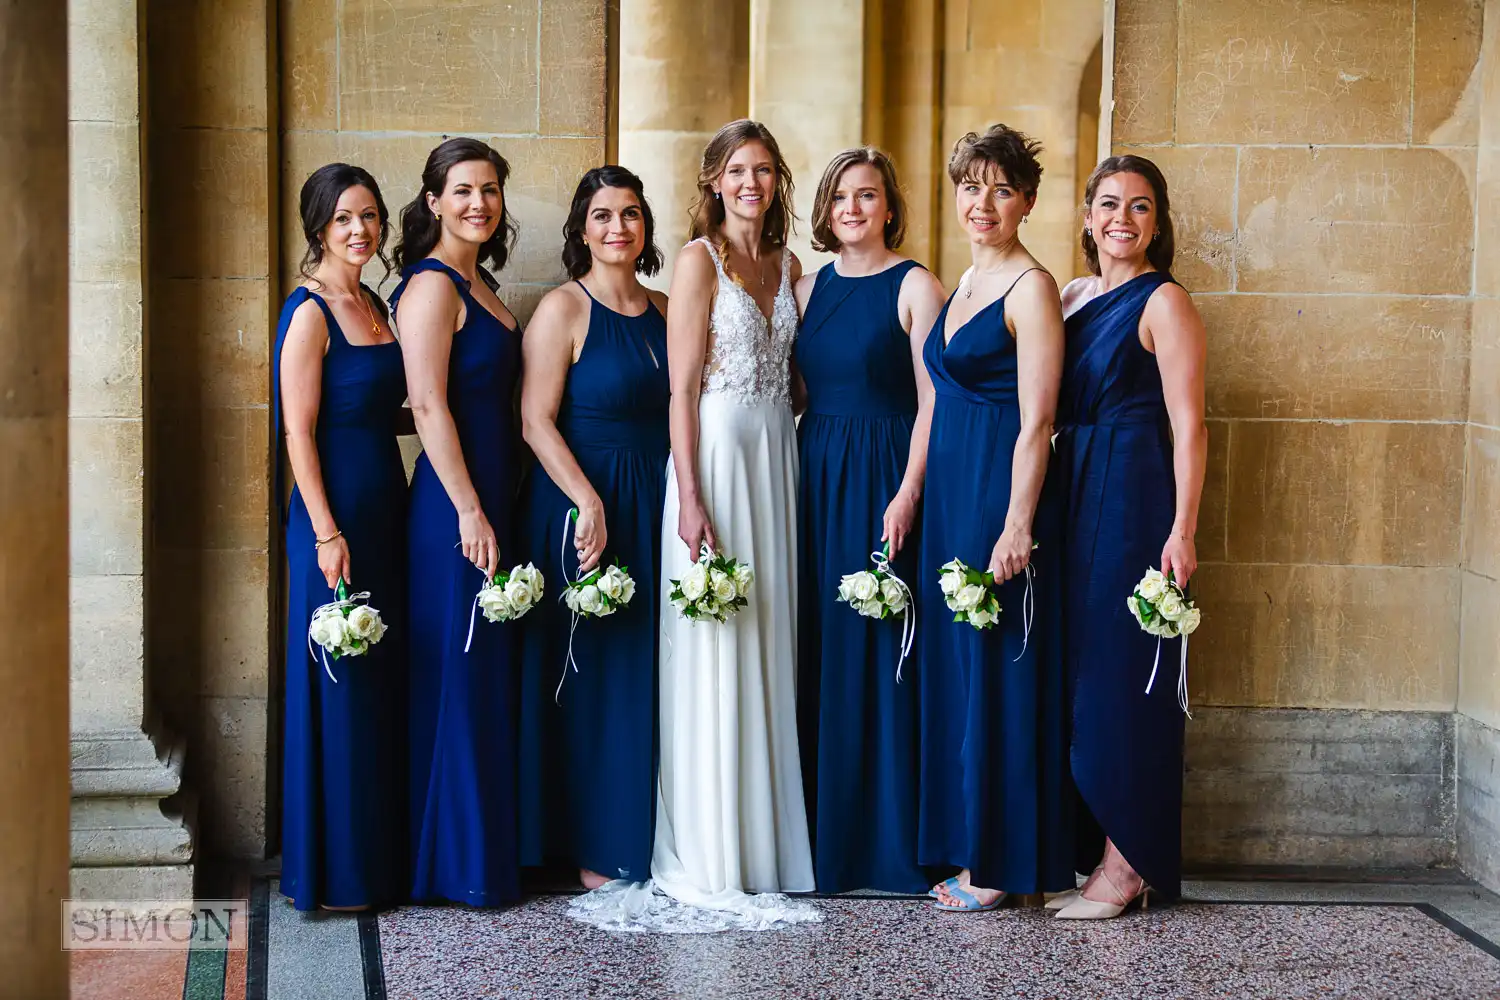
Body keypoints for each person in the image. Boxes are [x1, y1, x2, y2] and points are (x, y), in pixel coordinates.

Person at [571, 119, 817, 933]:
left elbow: (800, 378)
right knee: (715, 641)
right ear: (713, 179)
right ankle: (708, 848)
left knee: (768, 636)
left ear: (778, 180)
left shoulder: (790, 266)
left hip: (774, 460)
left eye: (764, 169)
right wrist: (693, 494)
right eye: (736, 169)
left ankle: (762, 846)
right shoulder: (695, 259)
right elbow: (680, 391)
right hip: (712, 458)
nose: (751, 182)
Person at [918, 125, 1074, 912]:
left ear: (1028, 201)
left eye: (1001, 189)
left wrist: (1017, 522)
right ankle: (968, 840)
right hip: (949, 491)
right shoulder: (963, 283)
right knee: (962, 675)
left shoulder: (1032, 287)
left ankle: (1001, 864)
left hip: (995, 496)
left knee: (1001, 676)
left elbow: (1036, 420)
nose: (983, 203)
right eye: (971, 186)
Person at [1052, 155, 1207, 919]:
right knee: (1077, 675)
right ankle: (1089, 847)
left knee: (1126, 677)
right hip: (1073, 492)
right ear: (1086, 217)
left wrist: (1181, 531)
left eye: (1140, 207)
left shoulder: (1165, 302)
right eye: (1109, 204)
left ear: (1158, 222)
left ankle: (1128, 864)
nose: (1123, 219)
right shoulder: (1073, 294)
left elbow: (1190, 426)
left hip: (1136, 499)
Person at [792, 147, 945, 894]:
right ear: (825, 211)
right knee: (819, 646)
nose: (854, 208)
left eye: (868, 195)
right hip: (813, 471)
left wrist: (909, 489)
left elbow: (934, 401)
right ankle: (823, 839)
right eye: (841, 197)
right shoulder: (804, 286)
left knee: (884, 649)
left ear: (890, 207)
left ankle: (890, 840)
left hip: (885, 469)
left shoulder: (916, 285)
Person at [516, 166, 670, 889]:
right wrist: (588, 500)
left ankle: (638, 832)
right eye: (604, 215)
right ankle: (585, 845)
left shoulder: (668, 309)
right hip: (585, 502)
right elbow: (534, 421)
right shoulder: (562, 311)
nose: (618, 228)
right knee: (592, 673)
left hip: (657, 501)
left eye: (631, 214)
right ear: (582, 228)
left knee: (644, 675)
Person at [392, 137, 524, 907]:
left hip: (492, 500)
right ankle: (453, 866)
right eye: (463, 191)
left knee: (482, 676)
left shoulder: (485, 286)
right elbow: (428, 404)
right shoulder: (433, 288)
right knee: (457, 672)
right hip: (452, 507)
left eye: (491, 191)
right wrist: (470, 508)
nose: (479, 203)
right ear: (434, 200)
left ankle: (479, 854)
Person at [276, 163, 408, 911]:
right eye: (345, 219)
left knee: (381, 678)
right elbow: (297, 430)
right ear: (319, 227)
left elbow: (396, 405)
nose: (361, 231)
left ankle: (380, 861)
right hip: (334, 515)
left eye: (370, 217)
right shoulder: (311, 312)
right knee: (342, 684)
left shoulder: (377, 304)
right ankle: (338, 872)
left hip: (386, 502)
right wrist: (326, 531)